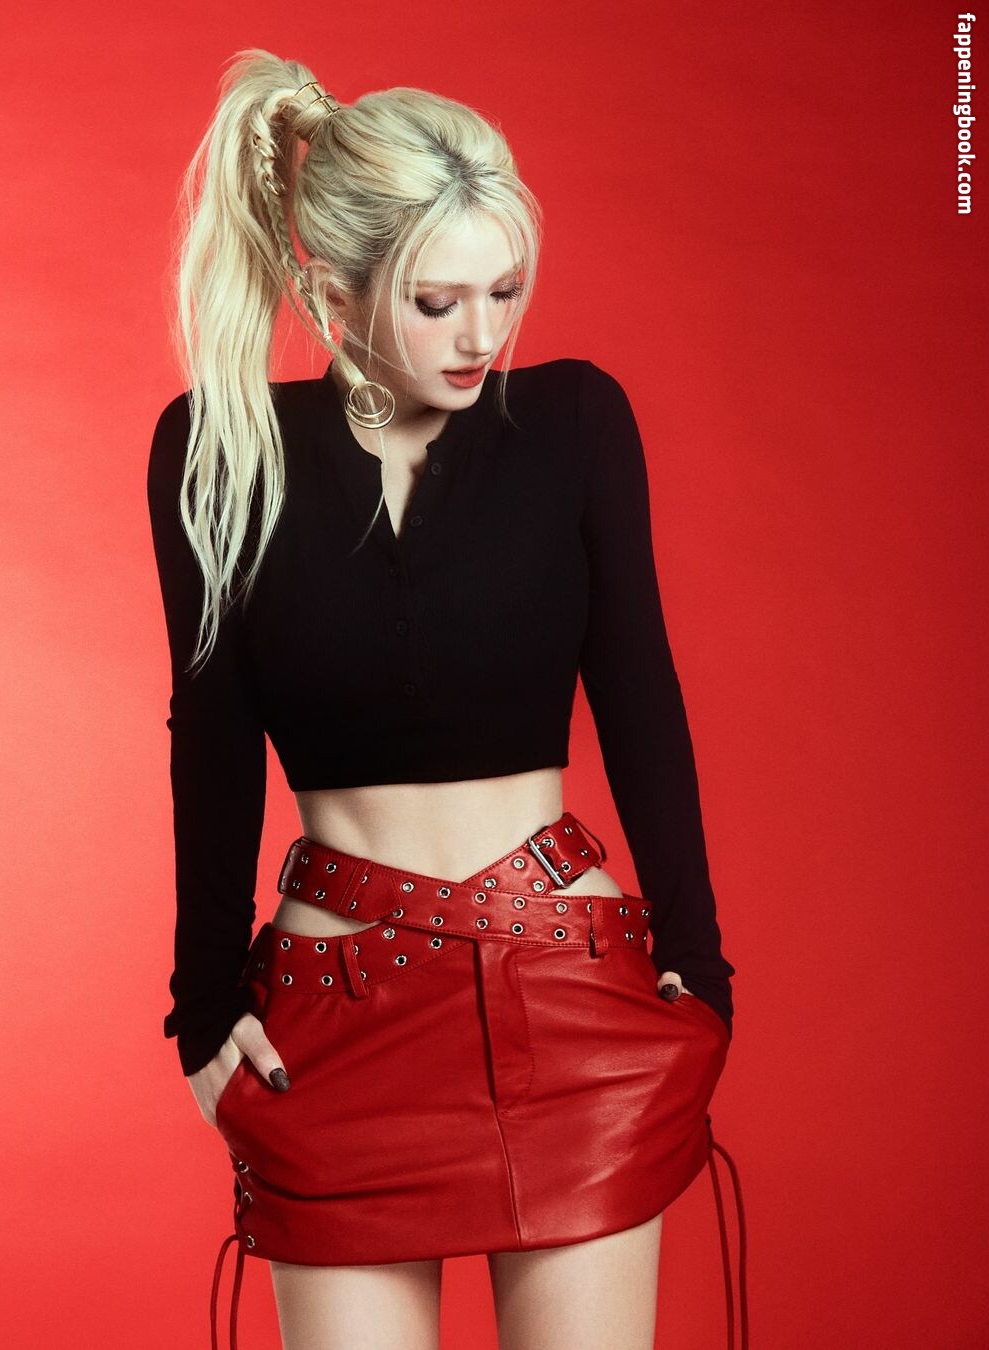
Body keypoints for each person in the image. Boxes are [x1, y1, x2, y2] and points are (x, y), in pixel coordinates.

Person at [146, 49, 747, 1350]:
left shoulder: (577, 424)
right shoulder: (218, 449)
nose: (484, 336)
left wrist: (702, 971)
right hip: (337, 1014)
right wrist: (202, 1006)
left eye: (505, 291)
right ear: (332, 287)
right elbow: (213, 740)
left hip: (574, 993)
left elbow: (642, 693)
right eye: (437, 301)